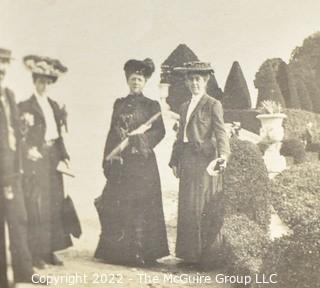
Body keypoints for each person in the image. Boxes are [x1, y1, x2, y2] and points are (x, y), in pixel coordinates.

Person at [95, 58, 169, 266]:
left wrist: (140, 140)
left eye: (140, 79)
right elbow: (112, 132)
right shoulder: (118, 104)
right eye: (133, 79)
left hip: (142, 164)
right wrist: (108, 157)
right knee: (118, 205)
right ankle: (117, 252)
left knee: (141, 205)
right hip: (121, 164)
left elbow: (159, 131)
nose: (136, 82)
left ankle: (140, 252)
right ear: (128, 81)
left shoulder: (151, 105)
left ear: (145, 82)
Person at [169, 61, 230, 265]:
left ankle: (207, 256)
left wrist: (223, 156)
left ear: (205, 81)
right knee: (187, 205)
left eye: (198, 79)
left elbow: (221, 132)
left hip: (204, 161)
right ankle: (189, 255)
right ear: (187, 82)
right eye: (191, 79)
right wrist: (175, 161)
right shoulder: (184, 106)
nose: (195, 83)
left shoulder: (213, 104)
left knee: (201, 205)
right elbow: (180, 136)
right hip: (186, 159)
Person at [19, 55, 72, 268]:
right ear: (34, 81)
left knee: (54, 202)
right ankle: (35, 253)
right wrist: (28, 151)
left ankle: (50, 250)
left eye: (46, 81)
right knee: (36, 204)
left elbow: (59, 134)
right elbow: (19, 136)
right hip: (36, 159)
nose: (43, 85)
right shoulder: (24, 106)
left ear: (50, 83)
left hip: (53, 159)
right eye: (40, 80)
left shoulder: (53, 105)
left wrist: (65, 155)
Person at [0, 47, 35, 286]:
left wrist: (23, 126)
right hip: (2, 172)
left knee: (19, 219)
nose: (1, 68)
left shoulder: (9, 95)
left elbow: (13, 133)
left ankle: (25, 273)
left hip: (14, 169)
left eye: (4, 63)